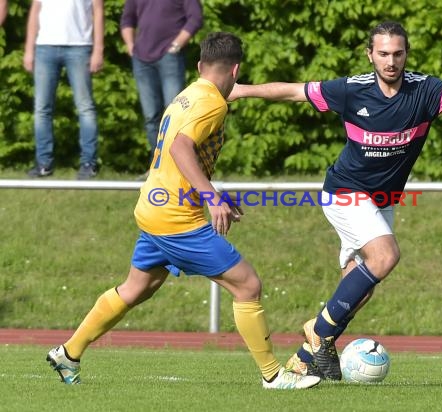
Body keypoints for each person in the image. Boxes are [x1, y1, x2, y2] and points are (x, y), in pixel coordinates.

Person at [45, 32, 321, 390]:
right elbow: (180, 148)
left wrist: (211, 193)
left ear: (200, 65)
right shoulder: (213, 104)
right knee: (247, 285)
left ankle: (69, 353)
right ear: (236, 69)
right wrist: (212, 198)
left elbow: (236, 99)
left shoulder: (190, 95)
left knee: (136, 288)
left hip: (152, 207)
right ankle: (273, 375)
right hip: (176, 219)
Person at [229, 21, 442, 380]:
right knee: (385, 256)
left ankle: (306, 357)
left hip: (381, 200)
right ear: (370, 54)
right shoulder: (351, 90)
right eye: (383, 53)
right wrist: (239, 89)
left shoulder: (426, 90)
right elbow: (293, 91)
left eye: (397, 53)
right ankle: (319, 332)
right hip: (344, 192)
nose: (391, 61)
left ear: (406, 55)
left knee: (359, 288)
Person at [23, 0, 104, 179]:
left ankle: (88, 163)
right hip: (45, 46)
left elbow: (98, 11)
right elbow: (35, 11)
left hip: (80, 46)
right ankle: (44, 163)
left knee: (85, 108)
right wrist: (29, 49)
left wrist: (98, 49)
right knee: (42, 108)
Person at [120, 0, 203, 168]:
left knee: (175, 115)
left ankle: (180, 167)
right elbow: (127, 20)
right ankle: (157, 167)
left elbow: (195, 18)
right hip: (141, 59)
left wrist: (177, 44)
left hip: (170, 57)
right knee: (151, 117)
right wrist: (130, 46)